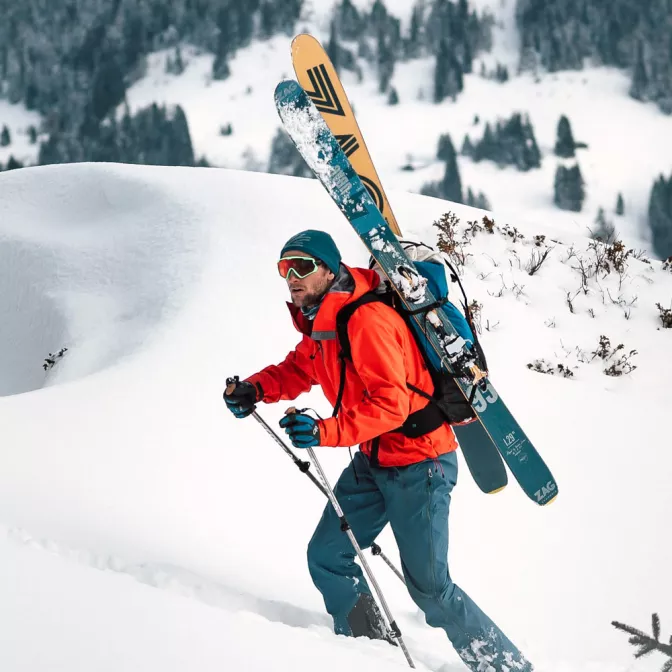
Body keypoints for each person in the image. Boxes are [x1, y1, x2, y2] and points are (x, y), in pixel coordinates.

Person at [224, 229, 532, 671]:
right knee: (328, 556)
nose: (291, 277)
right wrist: (256, 388)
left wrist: (326, 431)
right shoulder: (324, 321)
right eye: (283, 269)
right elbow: (299, 367)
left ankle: (505, 666)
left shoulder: (367, 320)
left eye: (302, 267)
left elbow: (392, 404)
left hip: (420, 464)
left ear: (329, 270)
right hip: (374, 461)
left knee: (430, 589)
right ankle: (369, 655)